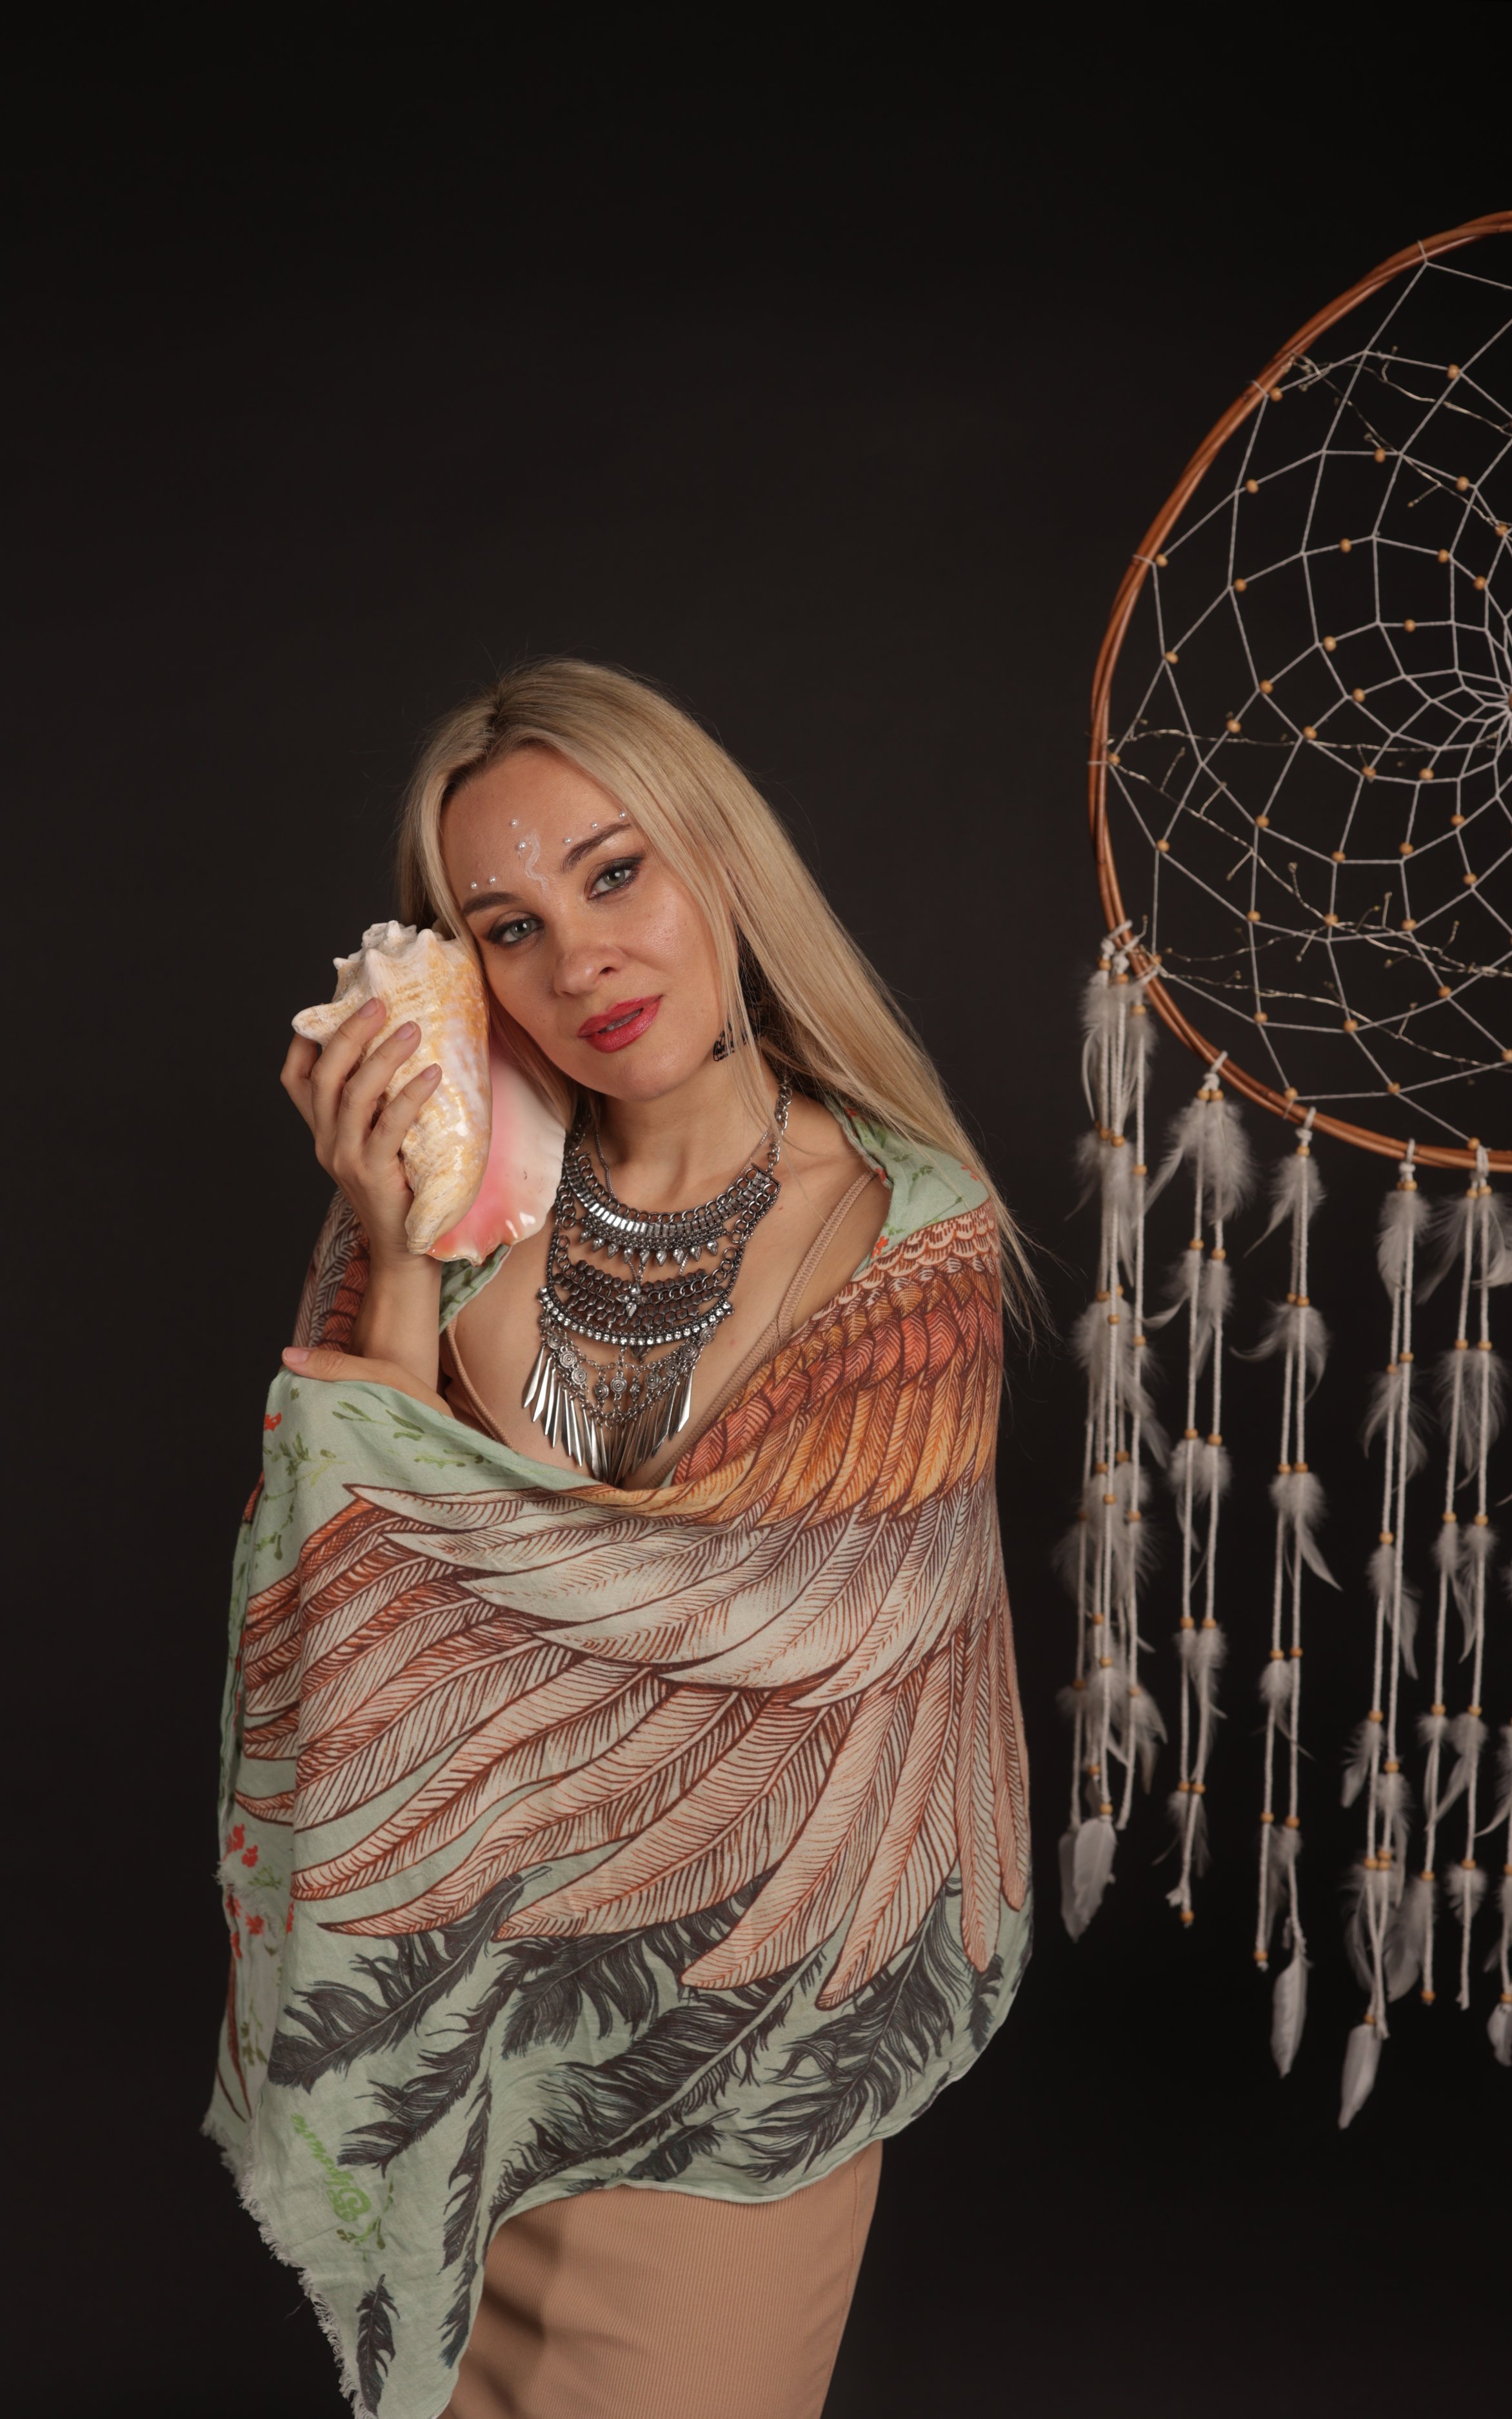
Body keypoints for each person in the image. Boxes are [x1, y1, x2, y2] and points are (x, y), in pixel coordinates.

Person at [207, 661, 1034, 2419]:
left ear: (720, 866)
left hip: (732, 2040)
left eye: (612, 874)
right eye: (503, 926)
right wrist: (400, 1241)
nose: (578, 960)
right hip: (467, 2037)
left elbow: (766, 1637)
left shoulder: (909, 1237)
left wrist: (479, 1541)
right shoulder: (463, 1196)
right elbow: (350, 1593)